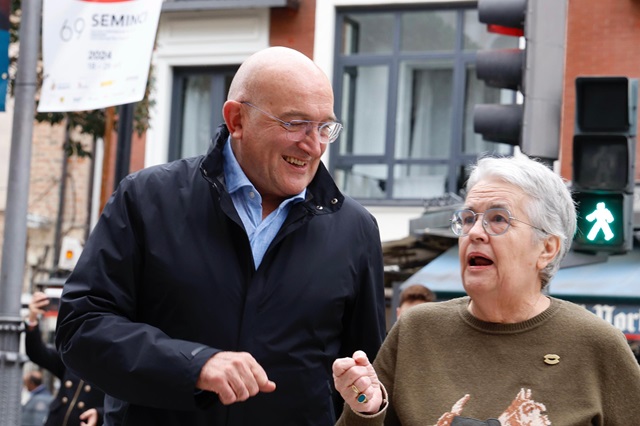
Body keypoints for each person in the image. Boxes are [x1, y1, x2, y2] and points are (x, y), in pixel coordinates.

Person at [55, 46, 386, 426]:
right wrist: (195, 365)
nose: (314, 146)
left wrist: (369, 401)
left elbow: (370, 376)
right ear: (237, 119)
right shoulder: (147, 199)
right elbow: (80, 329)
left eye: (324, 127)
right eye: (295, 124)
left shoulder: (355, 230)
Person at [332, 154, 640, 425]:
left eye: (498, 219)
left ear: (547, 248)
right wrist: (366, 410)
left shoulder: (597, 344)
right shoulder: (417, 330)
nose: (475, 233)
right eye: (468, 219)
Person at [24, 291, 104, 426]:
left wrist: (99, 414)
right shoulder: (74, 356)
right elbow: (38, 353)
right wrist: (32, 319)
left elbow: (123, 407)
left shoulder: (114, 364)